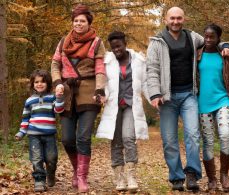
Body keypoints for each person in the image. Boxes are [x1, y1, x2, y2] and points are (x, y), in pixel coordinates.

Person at [146, 6, 229, 191]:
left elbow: (213, 40)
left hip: (189, 95)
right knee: (169, 140)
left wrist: (226, 45)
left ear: (183, 19)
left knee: (193, 135)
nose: (175, 21)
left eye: (179, 18)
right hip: (166, 98)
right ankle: (176, 177)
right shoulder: (157, 41)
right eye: (172, 18)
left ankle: (192, 174)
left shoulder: (193, 38)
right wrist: (154, 93)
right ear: (165, 20)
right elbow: (152, 69)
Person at [50, 4, 106, 193]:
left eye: (82, 21)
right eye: (76, 21)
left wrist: (100, 90)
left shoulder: (97, 42)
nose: (78, 24)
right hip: (65, 93)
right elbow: (55, 64)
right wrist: (57, 82)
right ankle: (76, 171)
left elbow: (100, 68)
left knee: (83, 137)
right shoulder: (63, 41)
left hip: (89, 93)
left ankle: (82, 177)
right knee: (67, 139)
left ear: (89, 23)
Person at [96, 31, 149, 192]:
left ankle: (131, 175)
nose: (116, 50)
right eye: (113, 48)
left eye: (118, 46)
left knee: (128, 137)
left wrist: (153, 98)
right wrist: (101, 94)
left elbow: (145, 83)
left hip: (131, 106)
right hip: (114, 106)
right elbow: (102, 82)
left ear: (125, 44)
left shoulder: (139, 60)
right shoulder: (107, 62)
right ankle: (119, 177)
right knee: (116, 140)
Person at [197, 23, 229, 192]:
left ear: (218, 39)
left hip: (223, 101)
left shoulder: (225, 56)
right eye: (206, 36)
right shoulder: (197, 55)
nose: (208, 39)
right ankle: (212, 179)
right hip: (203, 104)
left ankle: (224, 175)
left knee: (226, 135)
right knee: (208, 141)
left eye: (211, 37)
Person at [15, 69, 65, 192]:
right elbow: (25, 118)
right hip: (34, 135)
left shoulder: (52, 97)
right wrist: (22, 131)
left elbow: (58, 111)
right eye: (36, 82)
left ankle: (51, 174)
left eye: (42, 81)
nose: (39, 84)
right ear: (33, 84)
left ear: (48, 83)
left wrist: (59, 99)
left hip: (49, 135)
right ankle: (39, 180)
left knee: (51, 158)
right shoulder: (29, 100)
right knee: (36, 159)